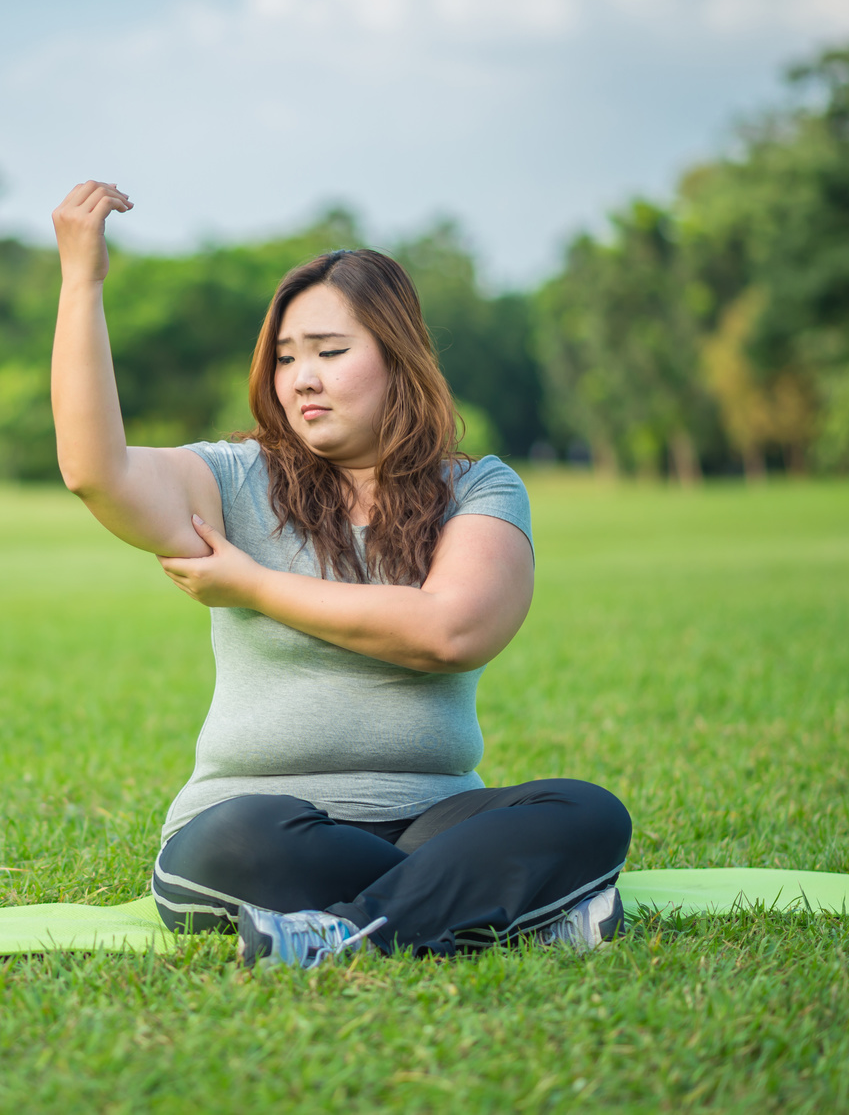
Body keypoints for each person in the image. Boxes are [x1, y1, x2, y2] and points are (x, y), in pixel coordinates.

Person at [49, 181, 631, 968]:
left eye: (328, 352)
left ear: (398, 358)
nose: (300, 379)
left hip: (433, 817)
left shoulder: (477, 489)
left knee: (584, 813)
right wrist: (81, 281)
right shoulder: (230, 479)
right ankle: (499, 907)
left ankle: (347, 933)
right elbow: (95, 471)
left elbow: (451, 632)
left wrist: (251, 585)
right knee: (241, 840)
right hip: (264, 830)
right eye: (285, 358)